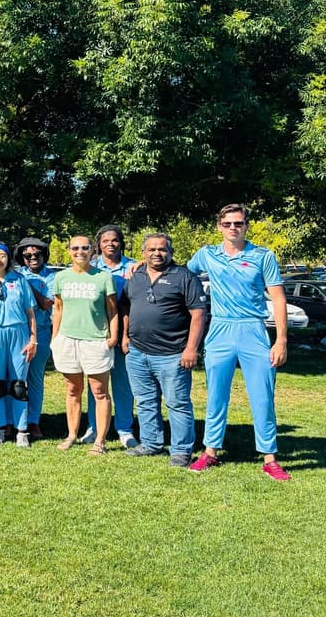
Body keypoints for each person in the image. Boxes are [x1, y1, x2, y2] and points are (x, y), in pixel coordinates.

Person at [185, 204, 290, 480]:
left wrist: (281, 340)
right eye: (228, 223)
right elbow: (182, 274)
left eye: (239, 223)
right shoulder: (207, 255)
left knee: (263, 396)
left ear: (246, 226)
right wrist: (141, 264)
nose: (234, 228)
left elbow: (278, 299)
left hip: (253, 330)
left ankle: (269, 458)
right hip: (220, 329)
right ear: (219, 226)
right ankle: (210, 453)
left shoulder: (262, 256)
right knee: (216, 395)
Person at [121, 233, 207, 467]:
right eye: (151, 249)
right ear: (143, 252)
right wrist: (124, 337)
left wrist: (192, 349)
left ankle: (181, 450)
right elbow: (126, 307)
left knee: (177, 403)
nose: (156, 253)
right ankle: (151, 443)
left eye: (161, 249)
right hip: (138, 352)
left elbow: (198, 314)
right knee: (145, 401)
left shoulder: (184, 277)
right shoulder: (135, 276)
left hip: (173, 354)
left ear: (170, 252)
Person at [51, 236, 118, 455]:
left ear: (92, 251)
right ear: (69, 251)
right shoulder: (61, 277)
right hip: (68, 340)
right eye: (75, 248)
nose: (80, 251)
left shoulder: (103, 277)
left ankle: (100, 440)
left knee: (99, 392)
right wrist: (55, 337)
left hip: (96, 341)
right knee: (73, 390)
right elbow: (58, 308)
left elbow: (112, 310)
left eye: (85, 248)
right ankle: (72, 435)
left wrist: (113, 336)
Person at [84, 225, 138, 449]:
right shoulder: (89, 267)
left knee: (123, 384)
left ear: (121, 243)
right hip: (95, 334)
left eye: (115, 240)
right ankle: (94, 427)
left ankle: (124, 429)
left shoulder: (134, 267)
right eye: (105, 241)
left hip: (125, 333)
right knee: (96, 385)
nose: (110, 244)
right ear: (99, 244)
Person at [0, 242, 37, 447]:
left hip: (18, 333)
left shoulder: (19, 280)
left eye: (2, 255)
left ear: (8, 259)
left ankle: (22, 430)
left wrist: (33, 340)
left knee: (18, 385)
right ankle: (0, 428)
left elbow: (30, 313)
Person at [14, 236, 56, 440]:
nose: (32, 258)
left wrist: (27, 285)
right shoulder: (15, 275)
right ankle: (15, 420)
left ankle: (33, 421)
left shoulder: (53, 277)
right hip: (17, 333)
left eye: (37, 254)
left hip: (41, 331)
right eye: (27, 255)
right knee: (16, 379)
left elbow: (47, 304)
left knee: (35, 379)